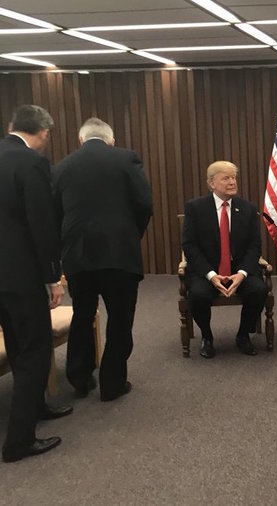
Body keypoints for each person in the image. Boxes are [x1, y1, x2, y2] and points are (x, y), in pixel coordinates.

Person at [53, 118, 152, 402]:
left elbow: (53, 212)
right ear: (111, 140)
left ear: (81, 140)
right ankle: (112, 383)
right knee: (120, 319)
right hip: (119, 254)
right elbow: (145, 203)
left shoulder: (61, 167)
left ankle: (80, 379)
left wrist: (66, 244)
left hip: (77, 257)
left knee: (82, 316)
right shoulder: (126, 159)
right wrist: (132, 235)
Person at [0, 105, 71, 462]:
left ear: (11, 126)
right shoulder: (32, 164)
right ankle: (19, 441)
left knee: (16, 345)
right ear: (43, 133)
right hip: (21, 276)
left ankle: (37, 406)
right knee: (35, 351)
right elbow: (42, 225)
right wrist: (52, 277)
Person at [182, 160, 267, 358]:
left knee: (258, 290)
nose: (232, 182)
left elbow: (255, 246)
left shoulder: (247, 209)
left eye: (234, 177)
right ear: (212, 183)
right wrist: (211, 276)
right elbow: (190, 246)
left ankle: (243, 334)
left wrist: (242, 274)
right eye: (226, 178)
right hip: (207, 271)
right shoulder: (195, 208)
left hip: (238, 270)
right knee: (198, 295)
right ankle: (207, 336)